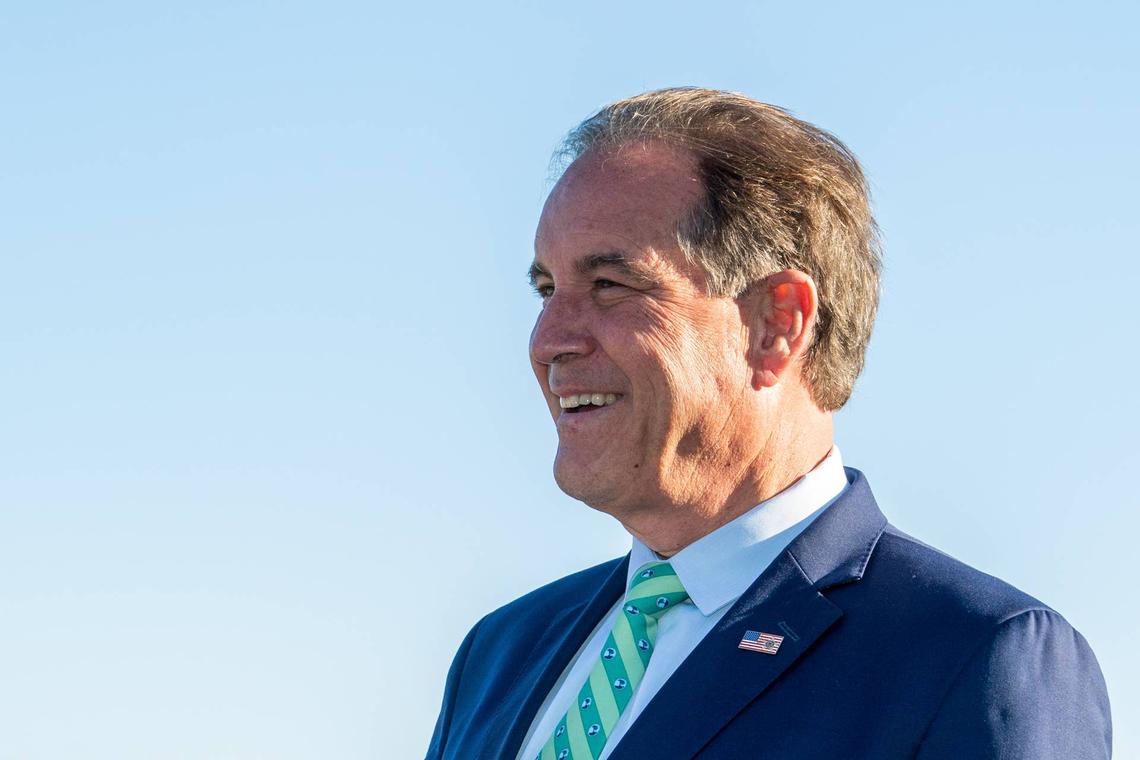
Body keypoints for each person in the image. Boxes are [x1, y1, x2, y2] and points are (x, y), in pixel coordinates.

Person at [425, 88, 1111, 759]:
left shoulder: (974, 657)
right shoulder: (501, 652)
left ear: (777, 324)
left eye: (610, 285)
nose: (549, 341)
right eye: (547, 289)